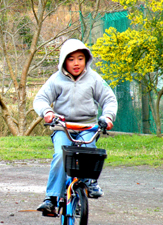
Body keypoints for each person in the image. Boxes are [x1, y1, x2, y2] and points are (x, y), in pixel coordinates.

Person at [33, 39, 117, 215]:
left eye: (80, 58)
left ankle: (89, 183)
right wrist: (47, 112)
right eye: (71, 59)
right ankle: (52, 198)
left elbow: (108, 99)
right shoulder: (56, 79)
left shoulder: (94, 78)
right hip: (62, 127)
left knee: (89, 151)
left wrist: (107, 117)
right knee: (60, 156)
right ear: (64, 61)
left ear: (86, 59)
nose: (76, 63)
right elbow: (40, 99)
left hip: (87, 127)